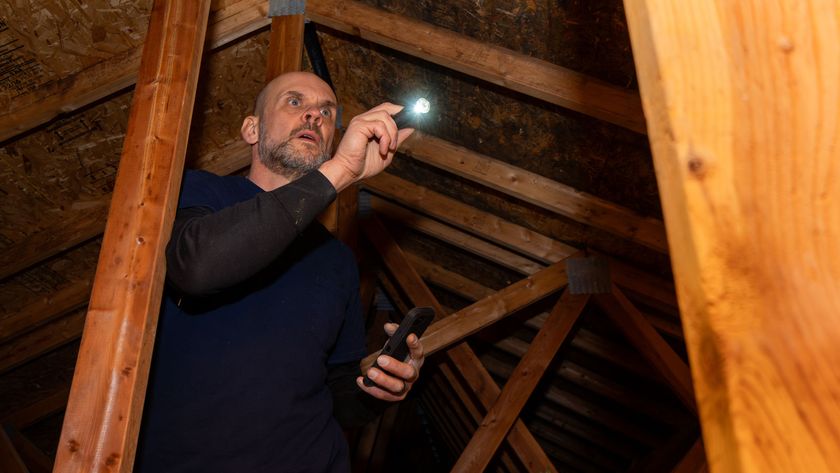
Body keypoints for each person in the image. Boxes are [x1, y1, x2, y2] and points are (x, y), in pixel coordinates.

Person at [134, 71, 425, 473]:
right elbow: (197, 268)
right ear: (252, 129)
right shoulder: (201, 194)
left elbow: (339, 395)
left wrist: (381, 388)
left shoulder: (338, 260)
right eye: (295, 102)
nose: (314, 116)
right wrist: (342, 171)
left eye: (327, 111)